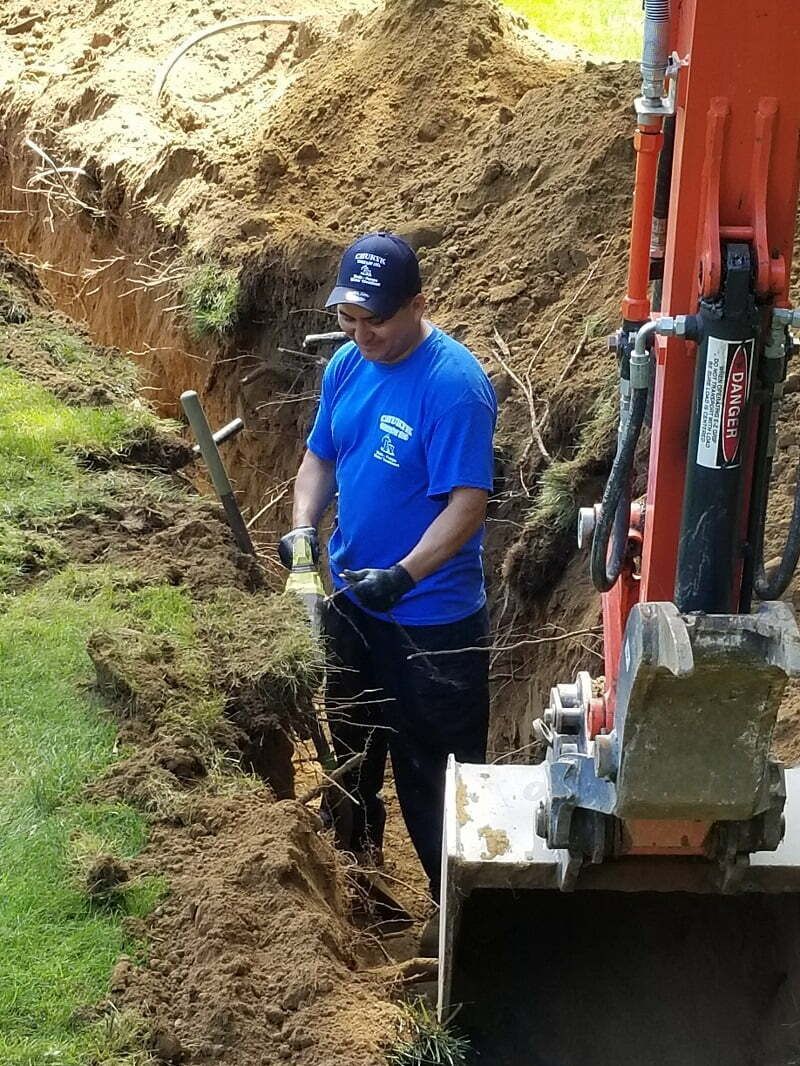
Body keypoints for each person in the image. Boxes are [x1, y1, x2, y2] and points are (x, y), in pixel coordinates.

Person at [278, 232, 497, 906]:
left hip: (432, 626)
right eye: (349, 319)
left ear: (418, 305)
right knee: (350, 747)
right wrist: (301, 528)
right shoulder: (345, 366)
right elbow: (321, 458)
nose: (362, 333)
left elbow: (469, 505)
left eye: (377, 319)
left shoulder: (453, 387)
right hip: (352, 601)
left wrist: (404, 575)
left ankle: (457, 913)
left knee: (437, 773)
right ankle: (359, 874)